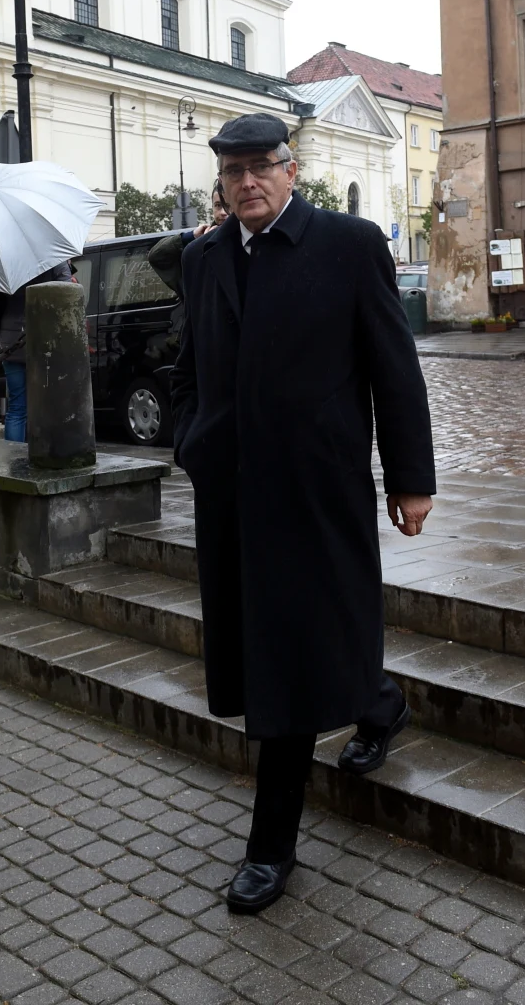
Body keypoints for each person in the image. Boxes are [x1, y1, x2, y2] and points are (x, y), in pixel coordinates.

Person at [170, 113, 435, 914]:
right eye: (233, 171)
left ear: (293, 172)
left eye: (261, 167)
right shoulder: (204, 256)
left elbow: (395, 368)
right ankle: (381, 703)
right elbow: (187, 364)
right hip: (235, 492)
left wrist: (410, 477)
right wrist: (193, 441)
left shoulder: (349, 246)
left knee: (296, 647)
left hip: (318, 487)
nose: (247, 182)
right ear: (219, 181)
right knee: (281, 643)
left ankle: (270, 847)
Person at [0, 262, 74, 441]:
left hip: (11, 342)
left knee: (17, 406)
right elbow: (66, 295)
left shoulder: (5, 263)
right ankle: (45, 451)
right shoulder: (54, 259)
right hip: (44, 341)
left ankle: (15, 459)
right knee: (46, 403)